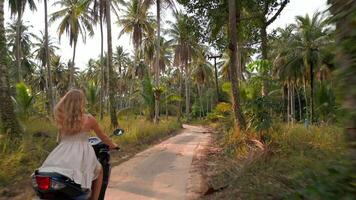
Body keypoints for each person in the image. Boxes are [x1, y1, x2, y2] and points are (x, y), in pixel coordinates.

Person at [39, 89, 118, 200]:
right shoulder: (89, 119)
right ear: (81, 103)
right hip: (82, 152)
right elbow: (103, 136)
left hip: (61, 151)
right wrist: (113, 145)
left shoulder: (62, 119)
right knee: (99, 171)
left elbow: (59, 139)